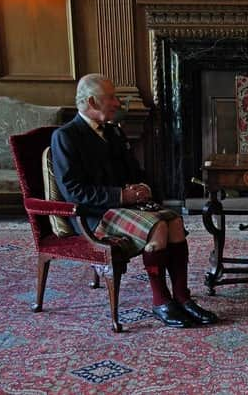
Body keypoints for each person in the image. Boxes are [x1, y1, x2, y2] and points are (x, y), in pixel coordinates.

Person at [51, 73, 217, 328]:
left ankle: (183, 298)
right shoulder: (66, 137)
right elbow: (74, 191)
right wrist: (120, 195)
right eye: (111, 98)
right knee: (158, 227)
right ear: (93, 102)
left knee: (173, 220)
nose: (117, 103)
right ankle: (161, 301)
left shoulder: (112, 132)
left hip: (125, 208)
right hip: (93, 215)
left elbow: (134, 171)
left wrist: (143, 187)